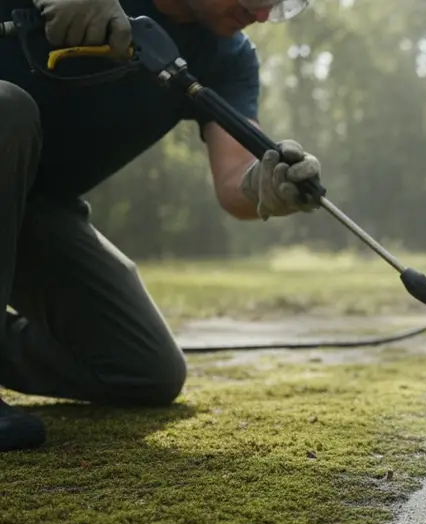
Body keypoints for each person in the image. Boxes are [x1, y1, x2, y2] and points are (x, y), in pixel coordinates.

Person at [1, 0, 321, 452]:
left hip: (34, 207)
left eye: (282, 4)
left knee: (143, 368)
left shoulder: (225, 57)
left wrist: (264, 185)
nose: (265, 14)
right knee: (6, 107)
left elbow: (235, 180)